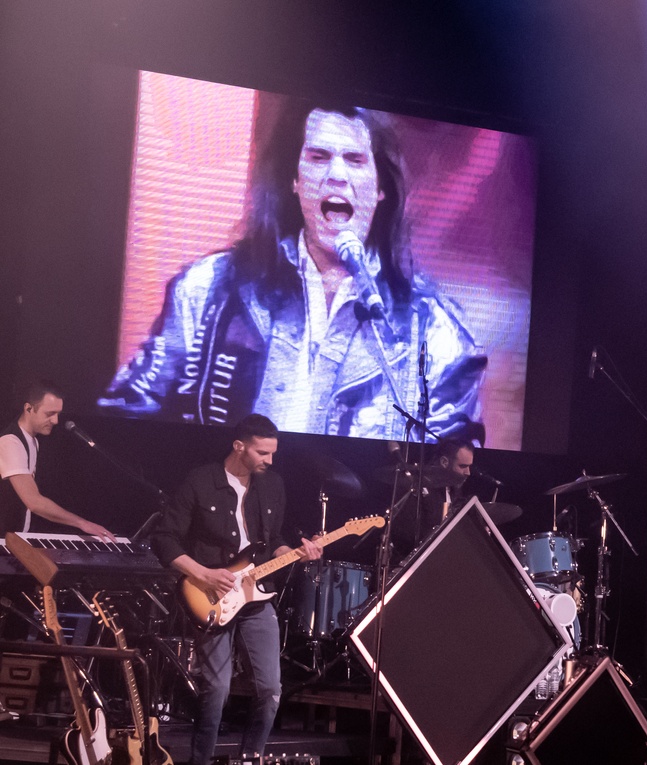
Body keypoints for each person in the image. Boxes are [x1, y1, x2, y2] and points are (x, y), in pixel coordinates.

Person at [99, 100, 487, 443]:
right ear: (296, 181)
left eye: (354, 160)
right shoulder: (207, 289)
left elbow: (452, 470)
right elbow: (126, 418)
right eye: (318, 157)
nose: (336, 175)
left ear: (381, 186)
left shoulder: (438, 333)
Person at [152, 414, 322, 764]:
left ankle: (251, 757)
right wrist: (203, 573)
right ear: (238, 446)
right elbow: (165, 538)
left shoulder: (272, 484)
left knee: (271, 688)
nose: (269, 461)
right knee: (217, 689)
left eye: (273, 453)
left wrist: (294, 553)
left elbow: (272, 540)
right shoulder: (200, 481)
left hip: (258, 593)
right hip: (211, 595)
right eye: (262, 453)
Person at [0, 380, 114, 538]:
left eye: (58, 414)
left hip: (14, 540)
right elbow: (34, 502)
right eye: (49, 414)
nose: (56, 421)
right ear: (28, 408)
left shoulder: (32, 441)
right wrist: (83, 523)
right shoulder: (10, 442)